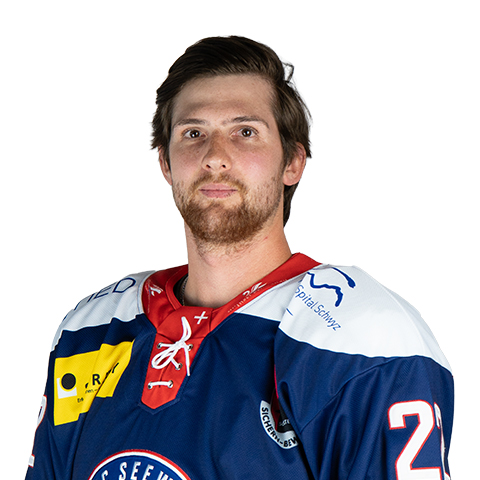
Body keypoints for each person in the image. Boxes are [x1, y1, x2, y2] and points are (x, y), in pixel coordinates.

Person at [26, 36, 453, 480]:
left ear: (293, 163)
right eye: (193, 133)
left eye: (245, 132)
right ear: (166, 164)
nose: (215, 157)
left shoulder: (359, 338)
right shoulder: (91, 331)